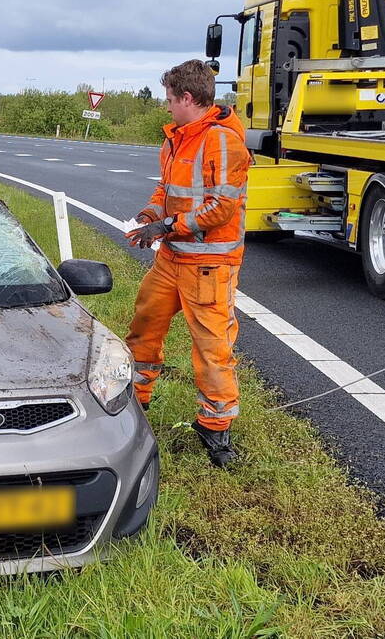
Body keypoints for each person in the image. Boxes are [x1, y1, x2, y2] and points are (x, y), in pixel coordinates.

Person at [124, 59, 251, 468]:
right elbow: (167, 188)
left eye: (169, 99)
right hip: (171, 260)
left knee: (213, 348)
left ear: (188, 98)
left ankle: (215, 429)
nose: (166, 107)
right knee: (144, 329)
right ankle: (134, 405)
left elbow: (221, 208)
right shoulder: (176, 139)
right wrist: (149, 216)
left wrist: (167, 226)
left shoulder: (222, 142)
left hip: (209, 265)